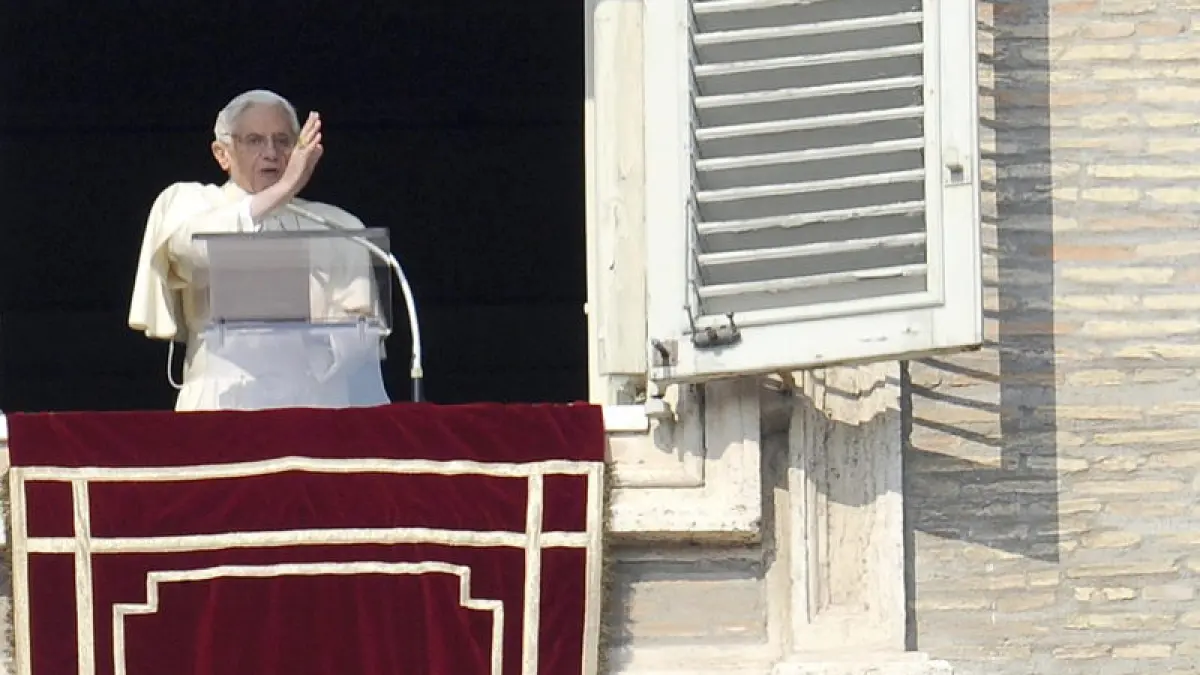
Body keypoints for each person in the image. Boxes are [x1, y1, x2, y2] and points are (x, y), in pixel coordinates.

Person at [128, 89, 391, 412]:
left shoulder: (338, 226)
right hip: (223, 401)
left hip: (316, 403)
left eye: (283, 141)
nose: (271, 153)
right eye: (254, 141)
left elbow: (364, 336)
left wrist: (313, 343)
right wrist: (284, 188)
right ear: (222, 154)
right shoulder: (190, 202)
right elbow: (193, 252)